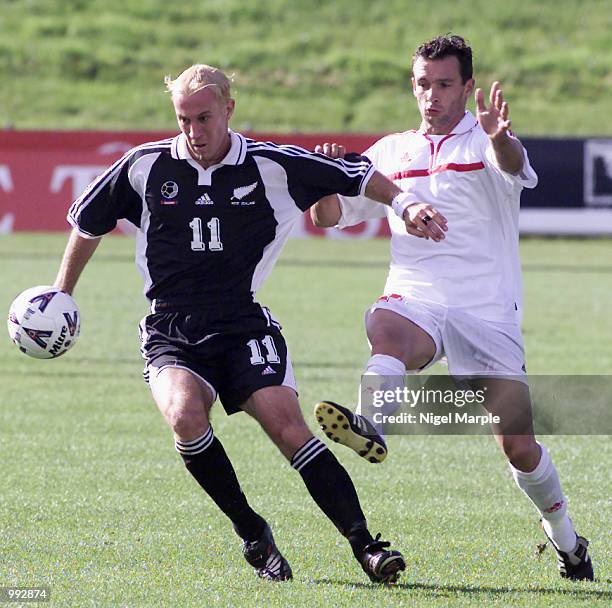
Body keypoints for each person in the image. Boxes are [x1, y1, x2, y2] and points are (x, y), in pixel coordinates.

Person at [51, 64, 432, 584]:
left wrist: (406, 203)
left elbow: (359, 176)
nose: (194, 131)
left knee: (288, 426)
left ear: (229, 108)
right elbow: (87, 220)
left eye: (204, 117)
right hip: (172, 330)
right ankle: (253, 532)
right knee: (185, 416)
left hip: (244, 324)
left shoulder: (270, 164)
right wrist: (61, 294)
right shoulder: (144, 166)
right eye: (183, 119)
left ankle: (366, 546)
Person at [311, 35, 594, 581]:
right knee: (385, 327)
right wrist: (327, 180)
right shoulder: (390, 152)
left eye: (444, 84)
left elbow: (512, 164)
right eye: (423, 84)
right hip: (418, 294)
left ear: (467, 86)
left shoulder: (487, 142)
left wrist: (500, 137)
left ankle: (567, 542)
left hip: (487, 309)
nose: (432, 95)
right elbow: (328, 216)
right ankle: (374, 422)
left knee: (518, 448)